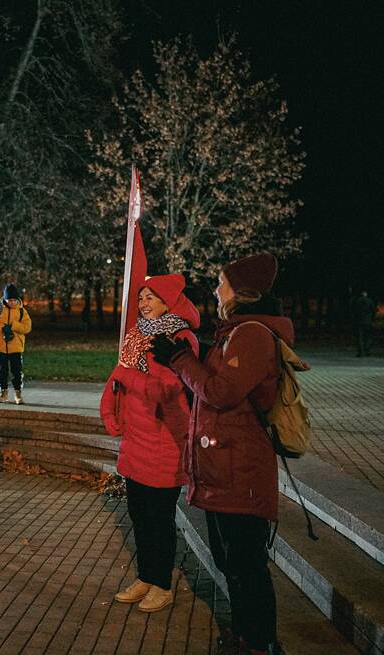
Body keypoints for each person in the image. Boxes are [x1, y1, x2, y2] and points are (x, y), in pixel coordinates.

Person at [152, 252, 288, 655]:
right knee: (232, 565)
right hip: (223, 467)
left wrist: (179, 360)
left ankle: (261, 643)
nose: (215, 289)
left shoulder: (252, 334)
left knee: (247, 566)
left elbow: (220, 392)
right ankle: (245, 635)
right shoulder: (236, 332)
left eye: (220, 282)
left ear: (242, 292)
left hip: (240, 470)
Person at [100, 274, 200, 613]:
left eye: (150, 298)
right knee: (139, 514)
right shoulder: (137, 336)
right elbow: (123, 382)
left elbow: (164, 389)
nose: (143, 304)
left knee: (159, 518)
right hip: (136, 439)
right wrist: (111, 409)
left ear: (167, 302)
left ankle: (162, 584)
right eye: (141, 297)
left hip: (163, 442)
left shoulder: (178, 338)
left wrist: (122, 373)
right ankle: (146, 575)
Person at [0, 283, 32, 404]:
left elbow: (27, 327)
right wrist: (2, 328)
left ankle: (18, 393)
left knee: (17, 371)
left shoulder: (22, 312)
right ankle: (3, 392)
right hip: (0, 346)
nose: (12, 302)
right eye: (9, 300)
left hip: (16, 346)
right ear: (5, 299)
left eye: (14, 300)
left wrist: (13, 326)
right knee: (2, 371)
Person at [351, 290, 375, 357]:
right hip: (367, 321)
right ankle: (367, 351)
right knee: (367, 337)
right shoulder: (369, 301)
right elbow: (373, 311)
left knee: (360, 337)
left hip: (359, 321)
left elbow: (353, 311)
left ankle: (361, 352)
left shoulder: (357, 301)